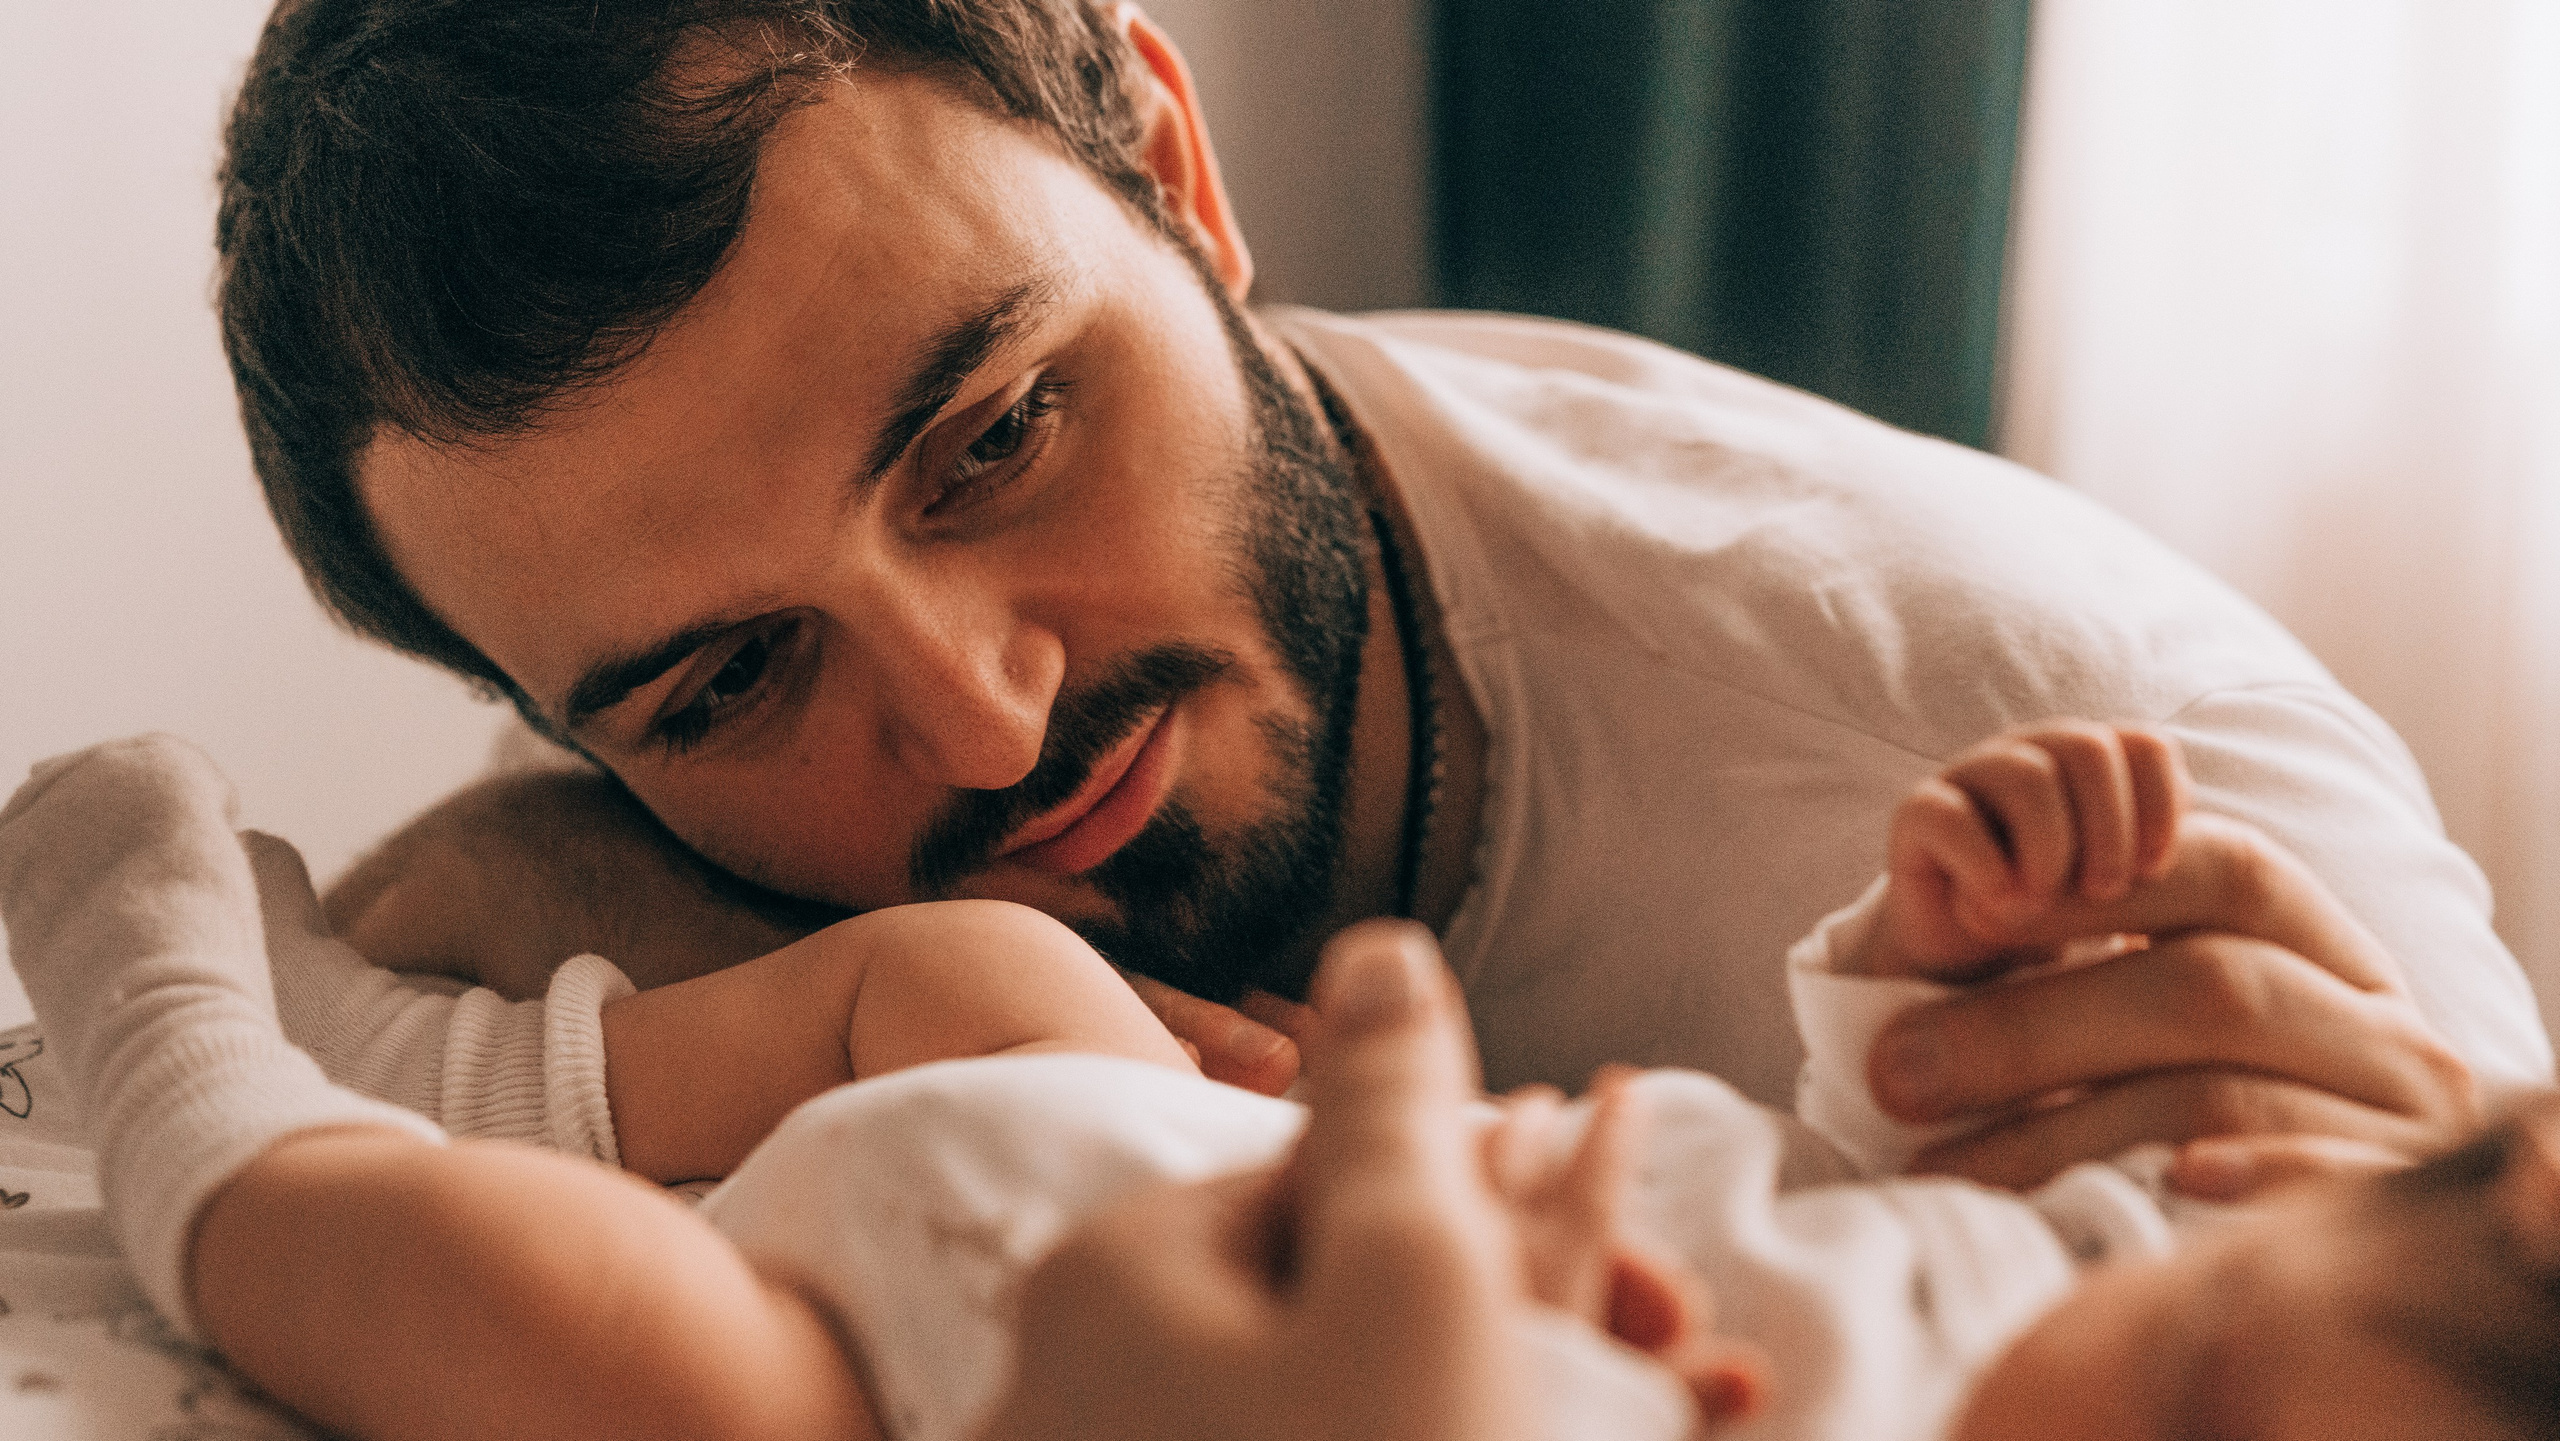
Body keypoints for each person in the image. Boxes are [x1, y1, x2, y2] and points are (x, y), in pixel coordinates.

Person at [218, 0, 2539, 1196]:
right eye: (733, 681)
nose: (989, 724)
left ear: (1173, 167)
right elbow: (348, 975)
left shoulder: (2034, 772)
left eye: (1000, 436)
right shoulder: (698, 802)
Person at [11, 718, 2555, 1441]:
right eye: (2204, 1412)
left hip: (957, 1392)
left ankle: (191, 1065)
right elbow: (1908, 1150)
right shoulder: (2208, 1203)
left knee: (585, 1353)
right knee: (964, 978)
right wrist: (1939, 967)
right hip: (1192, 1148)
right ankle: (400, 1038)